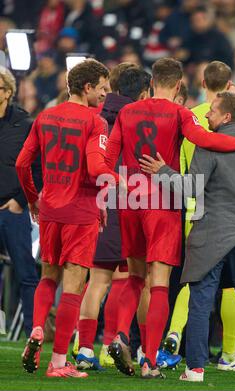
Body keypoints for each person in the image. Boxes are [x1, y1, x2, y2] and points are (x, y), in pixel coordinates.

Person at [105, 57, 235, 379]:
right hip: (162, 201)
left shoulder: (126, 112)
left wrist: (114, 183)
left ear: (151, 83)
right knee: (160, 283)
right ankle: (149, 361)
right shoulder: (180, 113)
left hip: (129, 199)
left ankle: (120, 334)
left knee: (133, 278)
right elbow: (206, 140)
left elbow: (109, 159)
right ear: (179, 85)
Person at [140, 92, 235, 384]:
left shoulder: (209, 148)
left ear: (226, 117)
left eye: (213, 111)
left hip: (211, 236)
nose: (206, 116)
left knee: (200, 303)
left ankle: (196, 369)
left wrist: (162, 171)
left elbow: (191, 189)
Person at [16, 58, 119, 378]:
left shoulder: (45, 116)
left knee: (48, 277)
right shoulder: (96, 122)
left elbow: (22, 164)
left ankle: (36, 329)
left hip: (50, 209)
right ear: (87, 87)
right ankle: (59, 363)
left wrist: (34, 199)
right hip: (80, 212)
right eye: (102, 89)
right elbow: (94, 168)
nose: (105, 95)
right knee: (74, 287)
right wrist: (116, 179)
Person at [163, 61, 235, 372]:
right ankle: (229, 353)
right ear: (230, 83)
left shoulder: (193, 116)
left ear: (202, 81)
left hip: (194, 208)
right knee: (233, 285)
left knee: (193, 280)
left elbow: (179, 163)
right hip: (233, 213)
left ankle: (175, 332)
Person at [75, 66, 152, 370]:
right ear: (144, 93)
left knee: (97, 281)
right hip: (131, 203)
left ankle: (84, 352)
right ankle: (127, 345)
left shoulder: (95, 116)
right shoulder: (142, 119)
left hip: (98, 202)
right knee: (139, 281)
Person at [0, 67, 42, 338]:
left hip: (12, 210)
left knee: (26, 272)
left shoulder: (26, 124)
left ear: (7, 92)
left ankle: (32, 333)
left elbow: (39, 169)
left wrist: (20, 201)